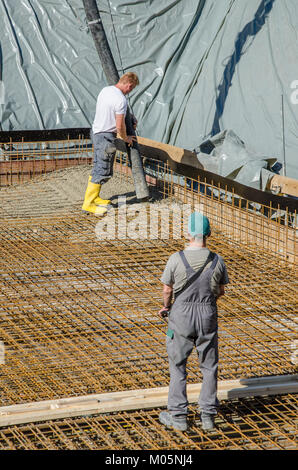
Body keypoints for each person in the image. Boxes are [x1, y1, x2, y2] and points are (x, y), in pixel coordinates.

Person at [158, 212, 229, 432]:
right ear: (208, 234)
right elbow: (221, 291)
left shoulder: (175, 259)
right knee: (209, 367)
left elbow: (167, 289)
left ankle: (179, 416)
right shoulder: (218, 260)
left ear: (187, 234)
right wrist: (206, 303)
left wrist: (167, 307)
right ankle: (207, 416)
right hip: (207, 316)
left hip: (181, 316)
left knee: (178, 367)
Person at [82, 72, 139, 215]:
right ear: (129, 85)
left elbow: (109, 110)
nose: (129, 92)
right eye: (131, 89)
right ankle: (88, 204)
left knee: (97, 167)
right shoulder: (121, 100)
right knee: (103, 171)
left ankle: (94, 198)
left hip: (96, 132)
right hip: (106, 137)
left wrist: (129, 116)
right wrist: (126, 138)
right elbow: (119, 126)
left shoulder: (105, 90)